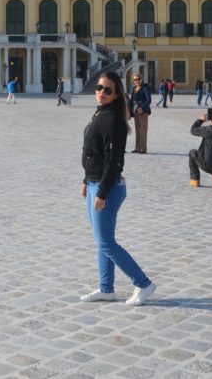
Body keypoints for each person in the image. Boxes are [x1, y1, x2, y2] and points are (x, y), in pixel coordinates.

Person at [79, 70, 157, 306]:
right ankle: (106, 288)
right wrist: (86, 180)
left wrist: (101, 192)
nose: (101, 93)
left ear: (116, 95)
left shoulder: (113, 120)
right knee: (102, 241)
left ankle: (143, 284)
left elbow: (113, 161)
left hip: (107, 188)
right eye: (99, 88)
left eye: (107, 90)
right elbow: (95, 153)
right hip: (94, 183)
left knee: (106, 243)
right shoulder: (101, 112)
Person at [128, 74, 152, 154]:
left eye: (138, 79)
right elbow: (132, 101)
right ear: (133, 81)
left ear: (141, 79)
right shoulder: (134, 88)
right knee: (137, 130)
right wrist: (130, 112)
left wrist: (142, 108)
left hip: (143, 111)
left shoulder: (145, 87)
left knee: (143, 130)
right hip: (135, 111)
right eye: (135, 80)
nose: (137, 81)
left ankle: (143, 148)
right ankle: (137, 148)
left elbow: (148, 100)